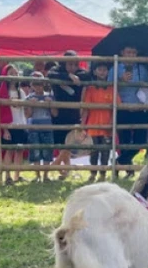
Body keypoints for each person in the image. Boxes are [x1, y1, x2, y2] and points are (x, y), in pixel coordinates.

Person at [48, 51, 90, 180]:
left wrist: (71, 75)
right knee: (61, 142)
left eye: (74, 64)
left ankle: (56, 164)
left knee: (70, 141)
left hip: (74, 112)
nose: (72, 67)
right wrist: (69, 76)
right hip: (59, 112)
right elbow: (51, 74)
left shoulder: (81, 73)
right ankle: (66, 170)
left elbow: (86, 77)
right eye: (69, 64)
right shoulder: (56, 71)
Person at [110, 44, 148, 178]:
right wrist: (121, 80)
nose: (131, 55)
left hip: (139, 108)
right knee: (124, 141)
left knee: (141, 141)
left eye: (134, 52)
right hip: (122, 107)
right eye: (128, 52)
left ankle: (118, 162)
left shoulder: (142, 68)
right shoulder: (115, 67)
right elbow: (108, 86)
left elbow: (147, 86)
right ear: (122, 52)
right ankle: (128, 168)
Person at [82, 62, 114, 183]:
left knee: (105, 151)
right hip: (93, 125)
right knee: (94, 151)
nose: (102, 72)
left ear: (107, 72)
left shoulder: (111, 88)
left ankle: (103, 174)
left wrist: (111, 123)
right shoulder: (90, 89)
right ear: (95, 72)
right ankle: (93, 173)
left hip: (107, 125)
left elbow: (115, 108)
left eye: (104, 70)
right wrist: (83, 125)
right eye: (99, 69)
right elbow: (86, 108)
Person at [0, 64, 27, 185]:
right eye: (11, 73)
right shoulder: (3, 92)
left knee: (19, 150)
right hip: (9, 125)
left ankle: (17, 175)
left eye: (16, 73)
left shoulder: (21, 92)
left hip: (21, 124)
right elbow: (0, 112)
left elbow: (25, 109)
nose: (14, 76)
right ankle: (8, 176)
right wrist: (5, 130)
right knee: (9, 151)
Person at [25, 72, 54, 182]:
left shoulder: (50, 96)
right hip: (34, 127)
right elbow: (27, 115)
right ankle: (37, 176)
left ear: (43, 84)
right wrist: (31, 105)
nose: (38, 87)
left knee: (47, 151)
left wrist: (50, 104)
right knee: (35, 152)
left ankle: (46, 175)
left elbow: (55, 114)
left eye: (40, 84)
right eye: (36, 84)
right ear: (32, 85)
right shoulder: (29, 98)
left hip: (47, 126)